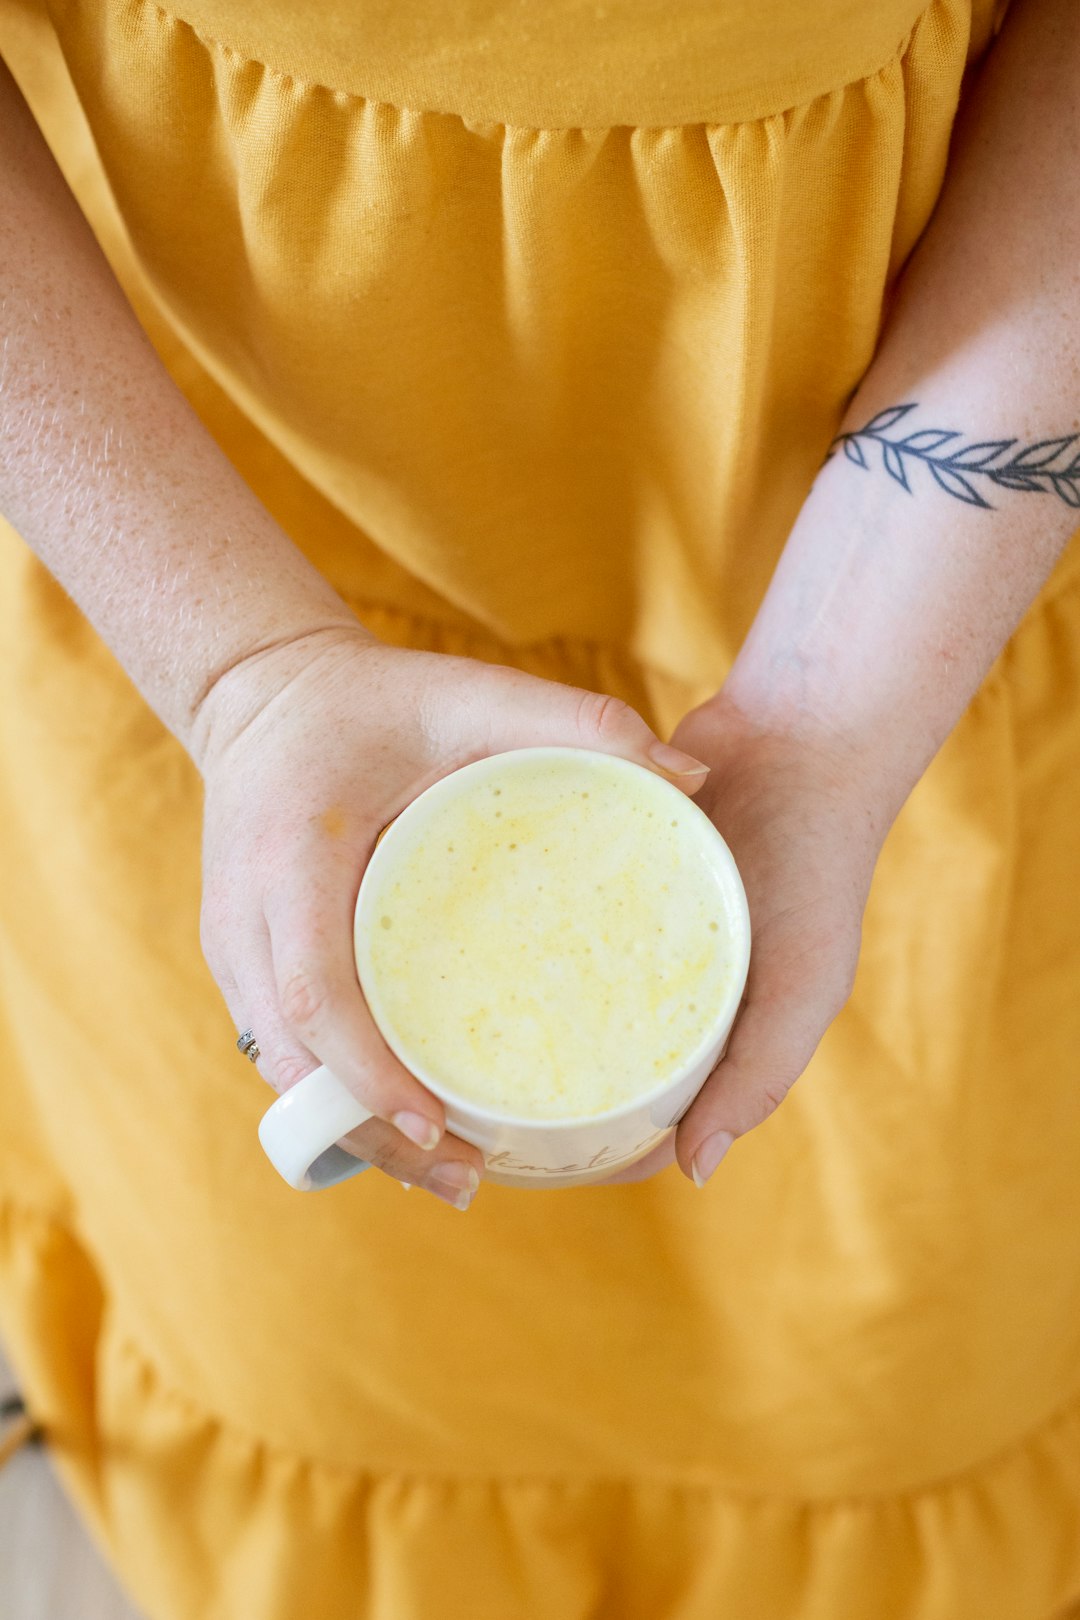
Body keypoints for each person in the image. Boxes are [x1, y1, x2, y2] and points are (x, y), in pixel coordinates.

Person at [1, 0, 1078, 1613]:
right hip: (185, 547)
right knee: (318, 1322)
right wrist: (244, 676)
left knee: (892, 1325)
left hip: (915, 617)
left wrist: (838, 718)